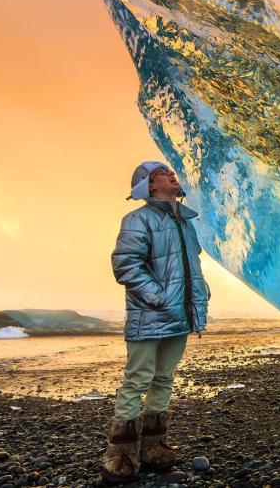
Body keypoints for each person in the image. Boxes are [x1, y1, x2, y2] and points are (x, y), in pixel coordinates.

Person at [101, 161, 210, 483]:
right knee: (136, 380)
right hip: (150, 316)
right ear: (149, 185)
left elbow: (192, 268)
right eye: (162, 173)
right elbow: (125, 265)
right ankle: (121, 454)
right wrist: (159, 297)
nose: (171, 174)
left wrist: (199, 296)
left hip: (180, 316)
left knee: (164, 379)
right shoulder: (137, 219)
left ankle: (153, 447)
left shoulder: (185, 223)